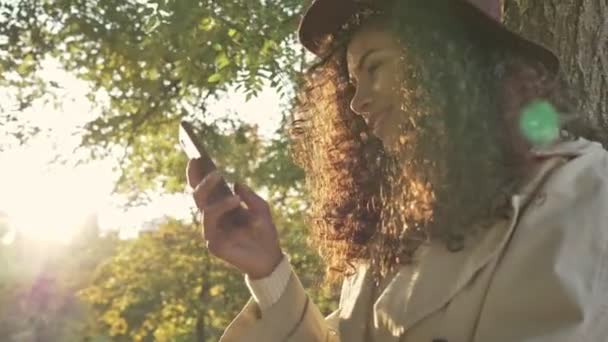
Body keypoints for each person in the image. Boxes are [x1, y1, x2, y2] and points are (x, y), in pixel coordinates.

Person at [187, 0, 608, 341]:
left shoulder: (581, 192)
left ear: (449, 60)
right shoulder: (400, 225)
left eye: (375, 67)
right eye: (351, 82)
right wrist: (267, 269)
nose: (356, 102)